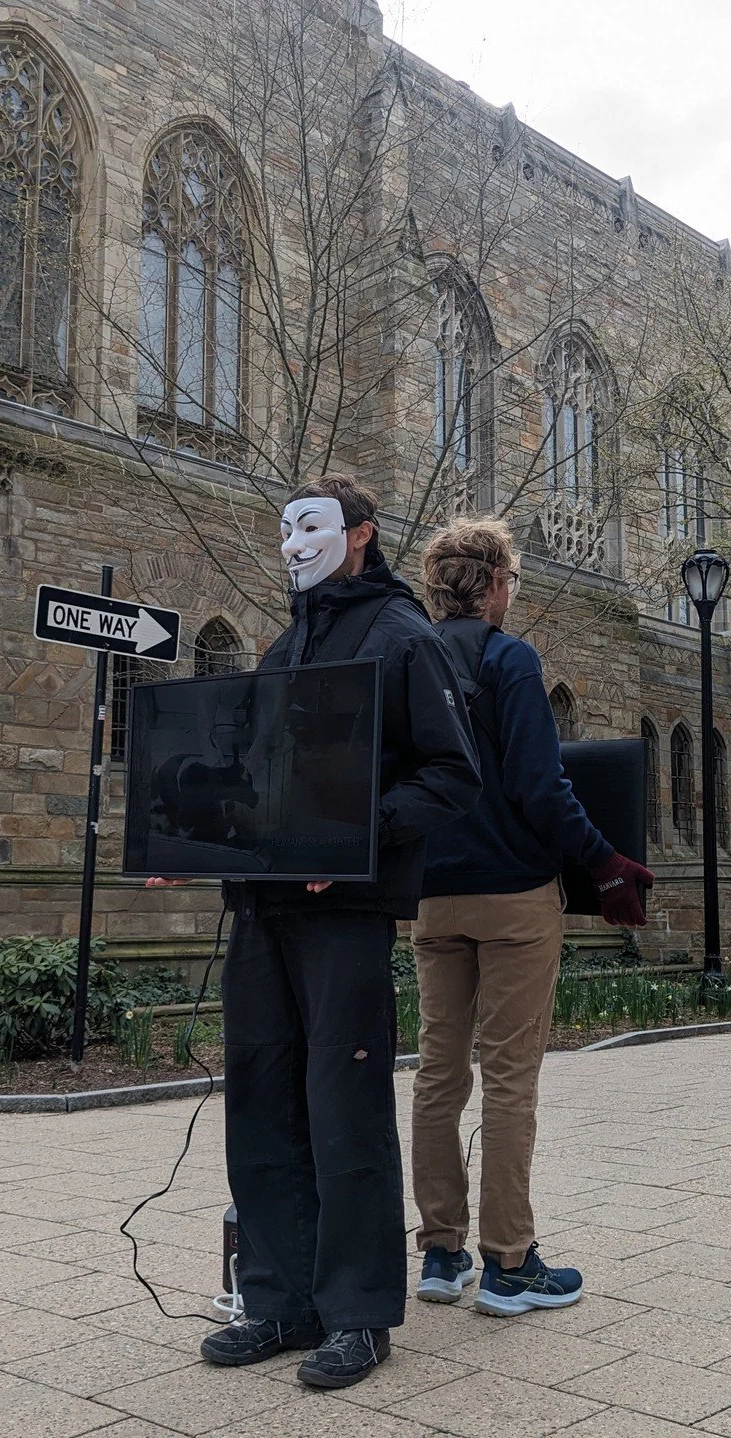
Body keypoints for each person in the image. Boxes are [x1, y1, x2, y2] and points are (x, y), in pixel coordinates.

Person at [185, 478, 481, 1388]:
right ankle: (278, 1300)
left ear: (360, 536)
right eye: (284, 529)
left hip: (342, 917)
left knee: (344, 1111)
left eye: (310, 527)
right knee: (262, 1103)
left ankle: (357, 1314)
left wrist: (357, 836)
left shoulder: (403, 637)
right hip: (264, 912)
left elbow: (450, 776)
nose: (292, 544)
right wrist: (189, 823)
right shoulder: (282, 648)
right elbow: (257, 774)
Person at [411, 517, 655, 1317]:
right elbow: (541, 787)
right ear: (489, 585)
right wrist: (606, 863)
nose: (512, 594)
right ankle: (510, 1264)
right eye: (510, 581)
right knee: (509, 1078)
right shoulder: (509, 657)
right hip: (515, 895)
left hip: (434, 896)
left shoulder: (406, 654)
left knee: (438, 1075)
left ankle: (442, 1254)